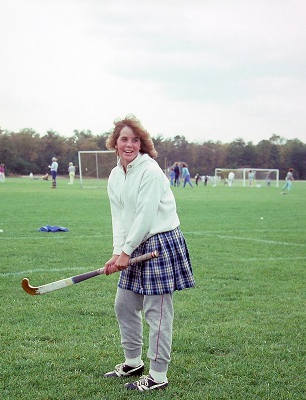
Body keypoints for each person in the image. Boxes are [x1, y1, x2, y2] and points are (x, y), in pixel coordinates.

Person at [103, 115, 195, 391]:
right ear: (115, 143)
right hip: (135, 244)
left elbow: (144, 216)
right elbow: (119, 217)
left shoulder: (150, 171)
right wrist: (118, 252)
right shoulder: (116, 175)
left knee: (158, 312)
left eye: (135, 140)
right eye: (124, 139)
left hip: (160, 243)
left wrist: (126, 251)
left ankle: (158, 375)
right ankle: (133, 362)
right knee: (124, 304)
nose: (129, 145)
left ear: (142, 144)